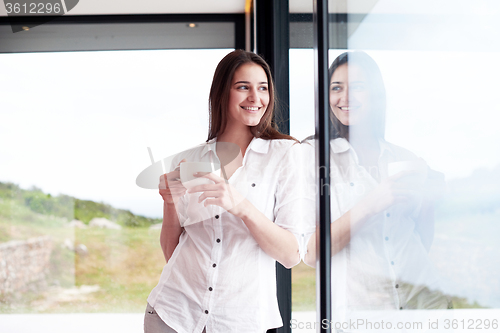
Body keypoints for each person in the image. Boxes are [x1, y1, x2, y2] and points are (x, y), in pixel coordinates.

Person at [144, 50, 303, 333]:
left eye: (263, 88)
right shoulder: (190, 159)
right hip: (173, 314)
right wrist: (170, 202)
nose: (256, 98)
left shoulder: (284, 154)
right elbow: (172, 251)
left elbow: (290, 255)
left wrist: (241, 206)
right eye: (243, 87)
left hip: (240, 321)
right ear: (222, 93)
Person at [303, 51, 450, 326]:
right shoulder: (311, 156)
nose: (345, 98)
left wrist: (429, 198)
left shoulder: (403, 158)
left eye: (358, 87)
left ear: (376, 95)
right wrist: (372, 203)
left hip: (427, 304)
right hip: (361, 314)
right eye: (337, 88)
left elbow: (420, 236)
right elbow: (311, 253)